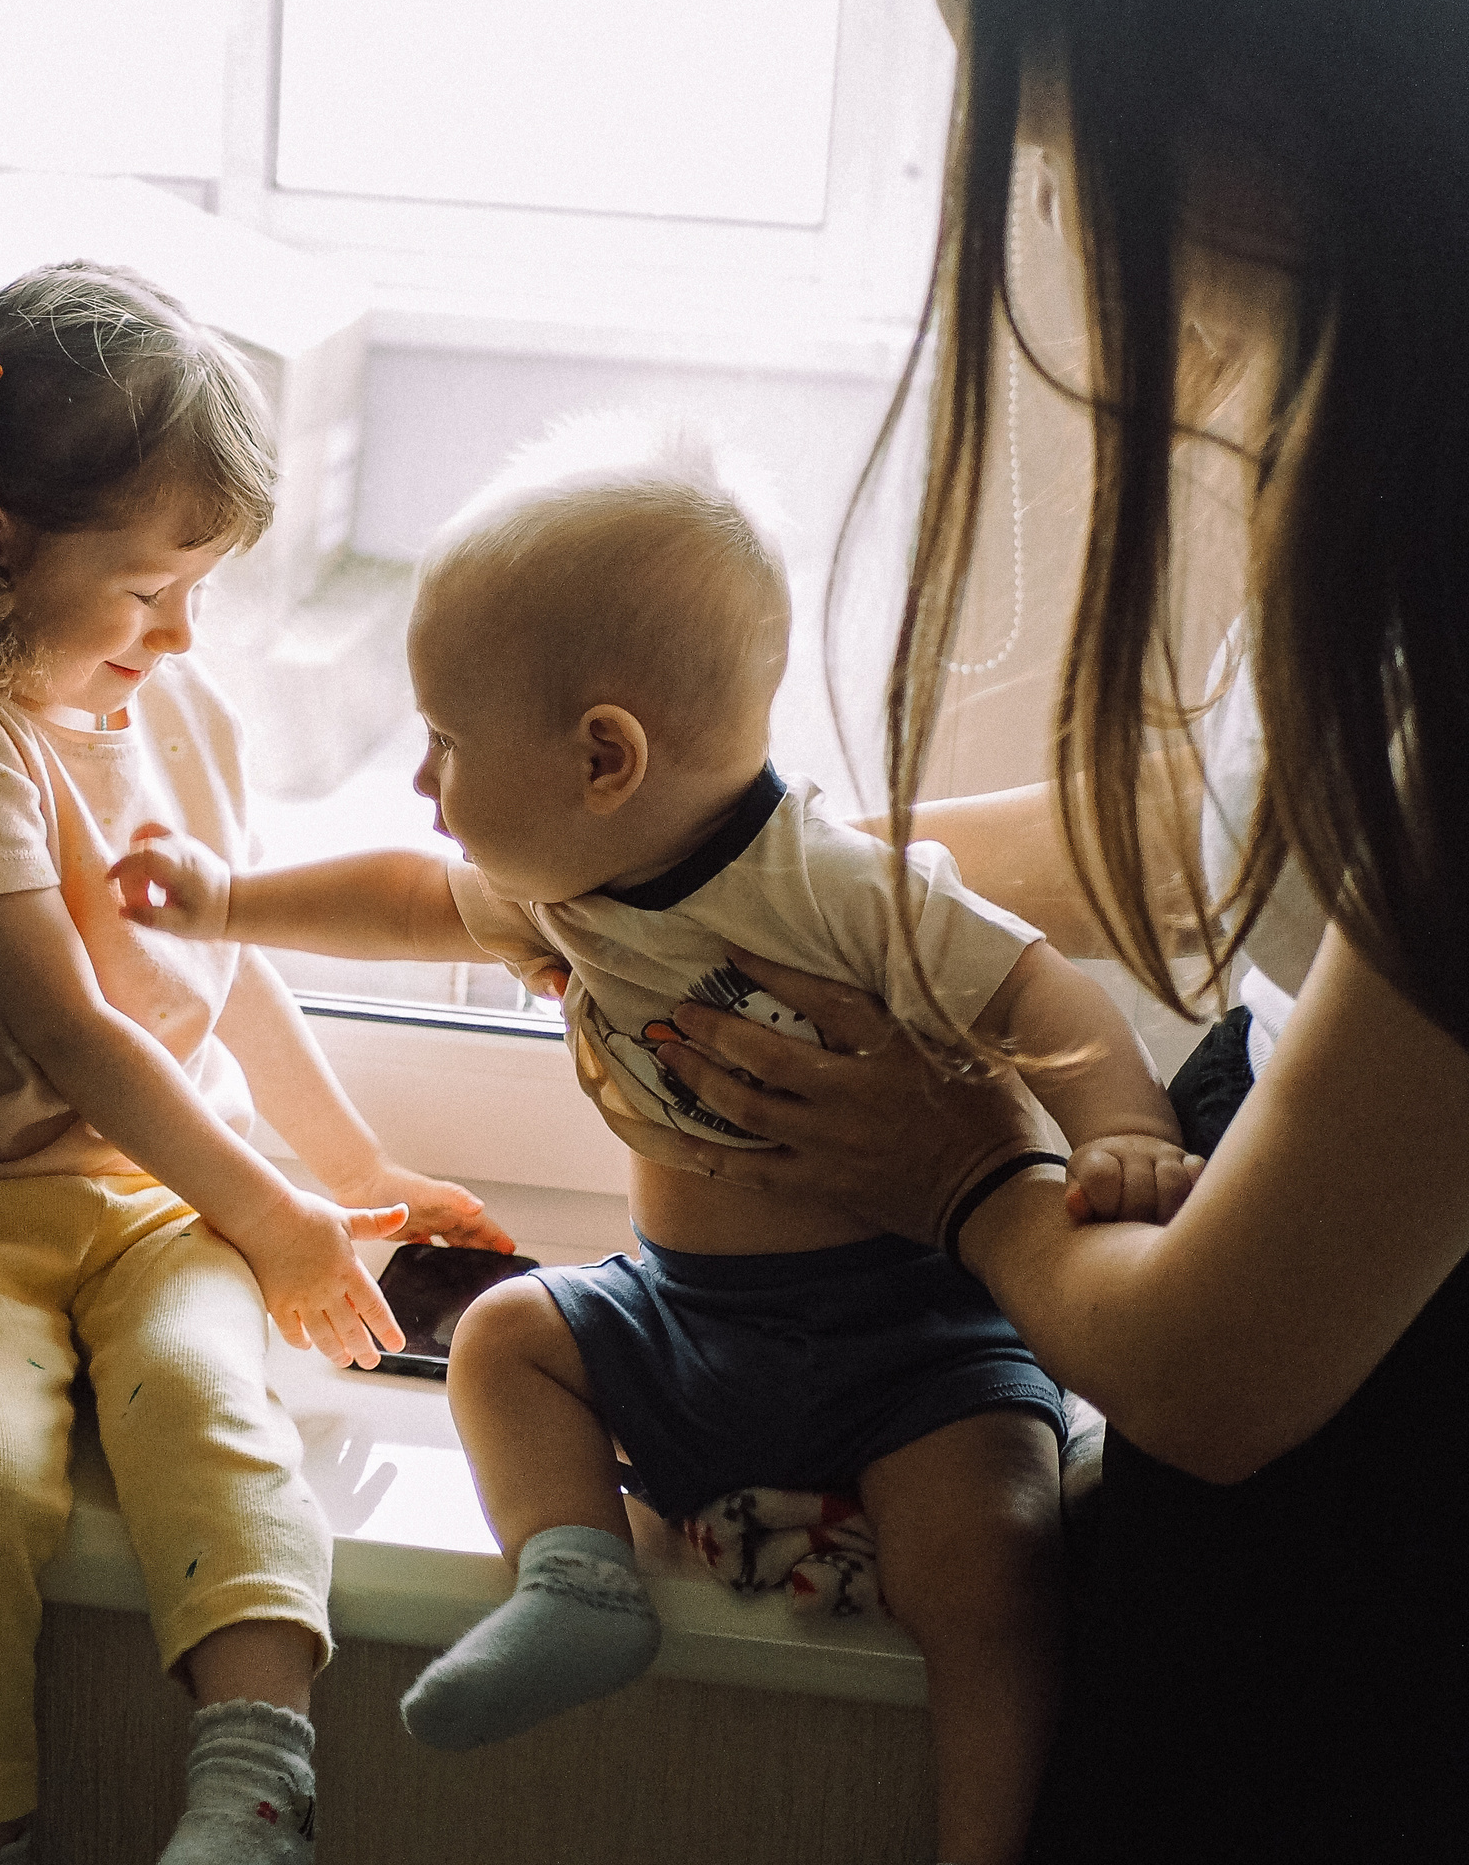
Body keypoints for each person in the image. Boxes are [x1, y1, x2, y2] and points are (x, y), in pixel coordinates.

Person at [598, 0, 1469, 1855]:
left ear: (1246, 127)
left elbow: (1220, 1372)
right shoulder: (1389, 455)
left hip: (1383, 1536)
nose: (1047, 195)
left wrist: (967, 1169)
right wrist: (761, 870)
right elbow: (1236, 813)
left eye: (1040, 120)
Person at [112, 417, 1198, 1865]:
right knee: (506, 1340)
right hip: (683, 1316)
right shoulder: (567, 878)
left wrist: (1120, 1126)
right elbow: (411, 899)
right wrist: (228, 900)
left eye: (443, 742)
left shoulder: (833, 887)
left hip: (906, 1342)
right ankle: (578, 1579)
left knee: (996, 1558)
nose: (426, 786)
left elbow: (1037, 987)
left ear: (603, 756)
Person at [0, 264, 512, 1865]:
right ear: (1, 538)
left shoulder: (179, 713)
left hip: (156, 1198)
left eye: (201, 588)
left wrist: (346, 1177)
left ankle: (254, 1787)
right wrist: (277, 1215)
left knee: (217, 1417)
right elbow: (74, 1026)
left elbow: (225, 976)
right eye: (151, 590)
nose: (184, 629)